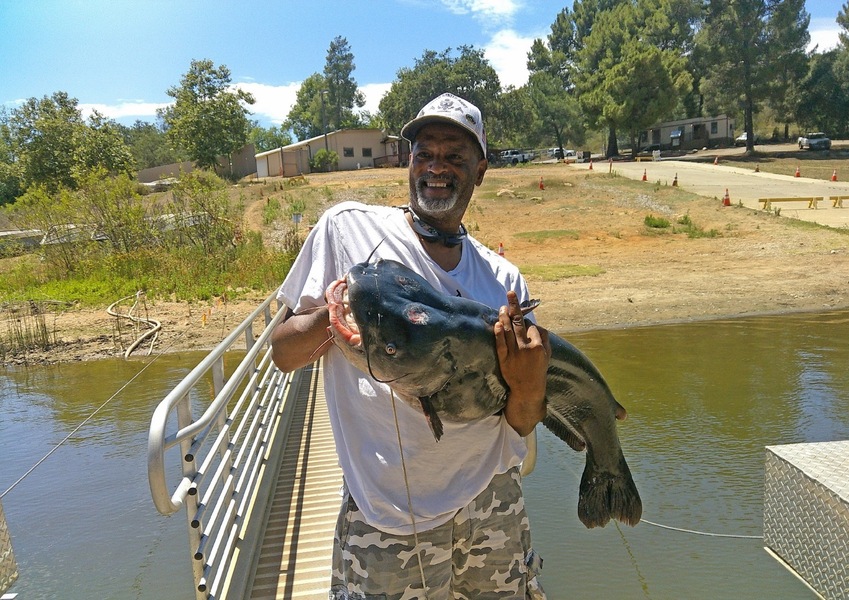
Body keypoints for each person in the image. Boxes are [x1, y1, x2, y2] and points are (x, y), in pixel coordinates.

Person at [271, 92, 550, 599]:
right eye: (425, 153)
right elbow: (283, 353)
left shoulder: (504, 281)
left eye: (454, 156)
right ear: (409, 160)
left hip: (493, 502)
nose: (436, 167)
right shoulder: (347, 229)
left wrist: (530, 387)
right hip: (388, 515)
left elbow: (521, 420)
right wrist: (340, 317)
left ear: (481, 170)